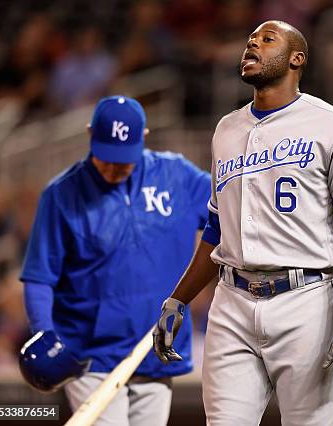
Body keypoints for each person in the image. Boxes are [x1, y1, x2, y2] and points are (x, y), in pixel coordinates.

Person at [152, 20, 333, 425]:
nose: (253, 44)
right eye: (250, 40)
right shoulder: (226, 129)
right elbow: (216, 231)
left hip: (306, 302)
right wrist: (178, 299)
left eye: (267, 39)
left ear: (297, 59)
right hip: (232, 301)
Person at [19, 95, 211, 425]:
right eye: (106, 157)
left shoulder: (176, 176)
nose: (113, 167)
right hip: (91, 355)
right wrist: (45, 334)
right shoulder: (62, 193)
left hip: (153, 350)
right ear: (91, 135)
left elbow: (231, 209)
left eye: (123, 159)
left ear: (144, 137)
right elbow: (40, 276)